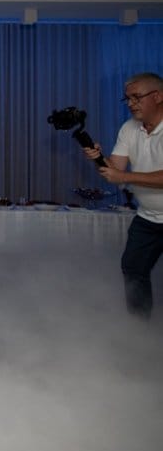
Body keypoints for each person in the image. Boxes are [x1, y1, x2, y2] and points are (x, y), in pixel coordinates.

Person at [83, 72, 163, 319]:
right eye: (127, 98)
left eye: (137, 97)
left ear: (158, 96)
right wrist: (98, 157)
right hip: (148, 217)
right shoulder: (129, 128)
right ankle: (139, 329)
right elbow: (114, 172)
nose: (130, 103)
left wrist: (125, 176)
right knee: (133, 270)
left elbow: (123, 176)